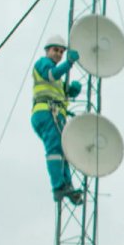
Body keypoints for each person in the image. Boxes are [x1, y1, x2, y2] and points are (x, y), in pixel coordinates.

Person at [31, 37, 84, 206]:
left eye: (61, 52)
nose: (59, 54)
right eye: (56, 50)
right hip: (46, 113)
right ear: (47, 50)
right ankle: (58, 186)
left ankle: (67, 186)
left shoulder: (56, 77)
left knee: (64, 152)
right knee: (54, 149)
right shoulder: (43, 63)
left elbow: (57, 90)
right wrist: (68, 63)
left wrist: (69, 91)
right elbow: (51, 75)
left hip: (53, 114)